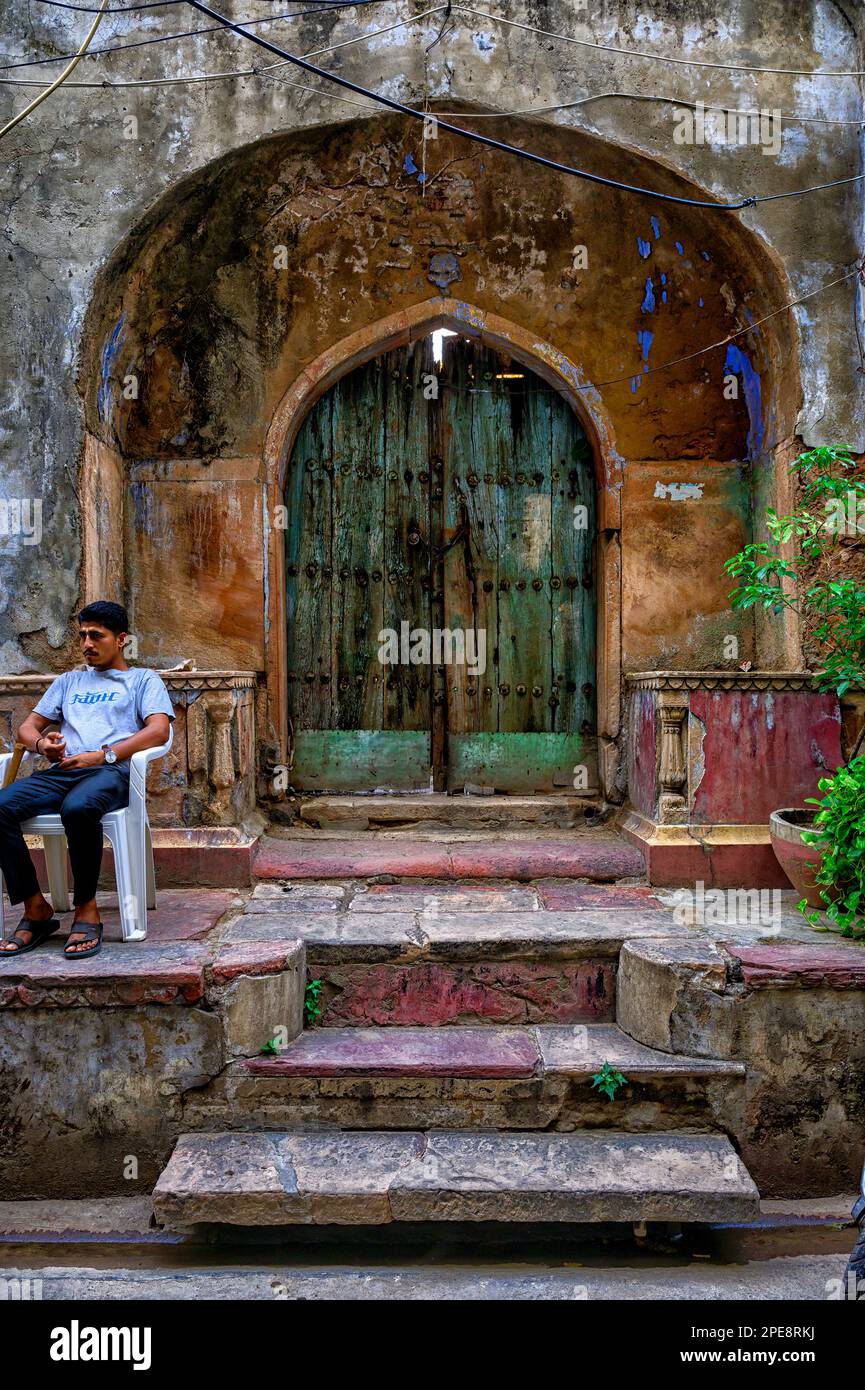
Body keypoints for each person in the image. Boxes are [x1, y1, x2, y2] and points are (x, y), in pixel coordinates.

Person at [0, 601, 174, 959]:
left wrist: (104, 754)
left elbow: (158, 731)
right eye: (82, 636)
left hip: (112, 772)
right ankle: (36, 909)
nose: (87, 644)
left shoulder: (142, 680)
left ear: (121, 639)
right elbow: (27, 727)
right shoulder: (69, 682)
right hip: (63, 771)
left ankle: (86, 908)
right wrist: (42, 744)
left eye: (97, 635)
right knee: (0, 807)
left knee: (78, 809)